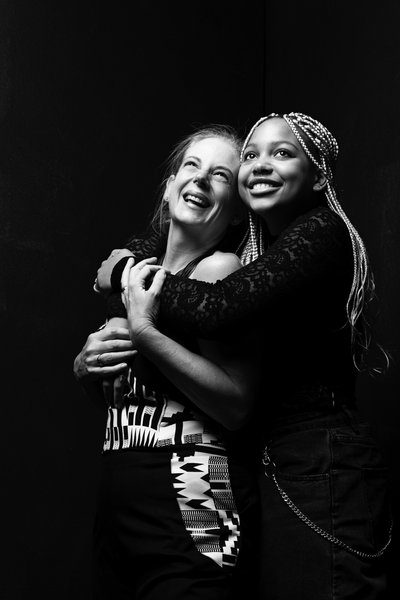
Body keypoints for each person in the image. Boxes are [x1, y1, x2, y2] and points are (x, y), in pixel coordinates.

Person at [98, 112, 393, 599]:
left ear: (319, 175)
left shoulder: (320, 232)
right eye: (251, 155)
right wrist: (116, 308)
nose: (259, 164)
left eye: (282, 152)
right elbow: (169, 242)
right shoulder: (260, 244)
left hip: (322, 457)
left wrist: (130, 283)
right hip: (271, 461)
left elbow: (218, 307)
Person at [74, 124, 260, 600]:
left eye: (220, 175)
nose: (199, 180)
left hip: (192, 494)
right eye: (191, 166)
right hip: (121, 500)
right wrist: (87, 368)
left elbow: (236, 405)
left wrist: (144, 332)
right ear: (169, 185)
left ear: (237, 212)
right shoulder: (142, 281)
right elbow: (149, 407)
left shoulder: (218, 270)